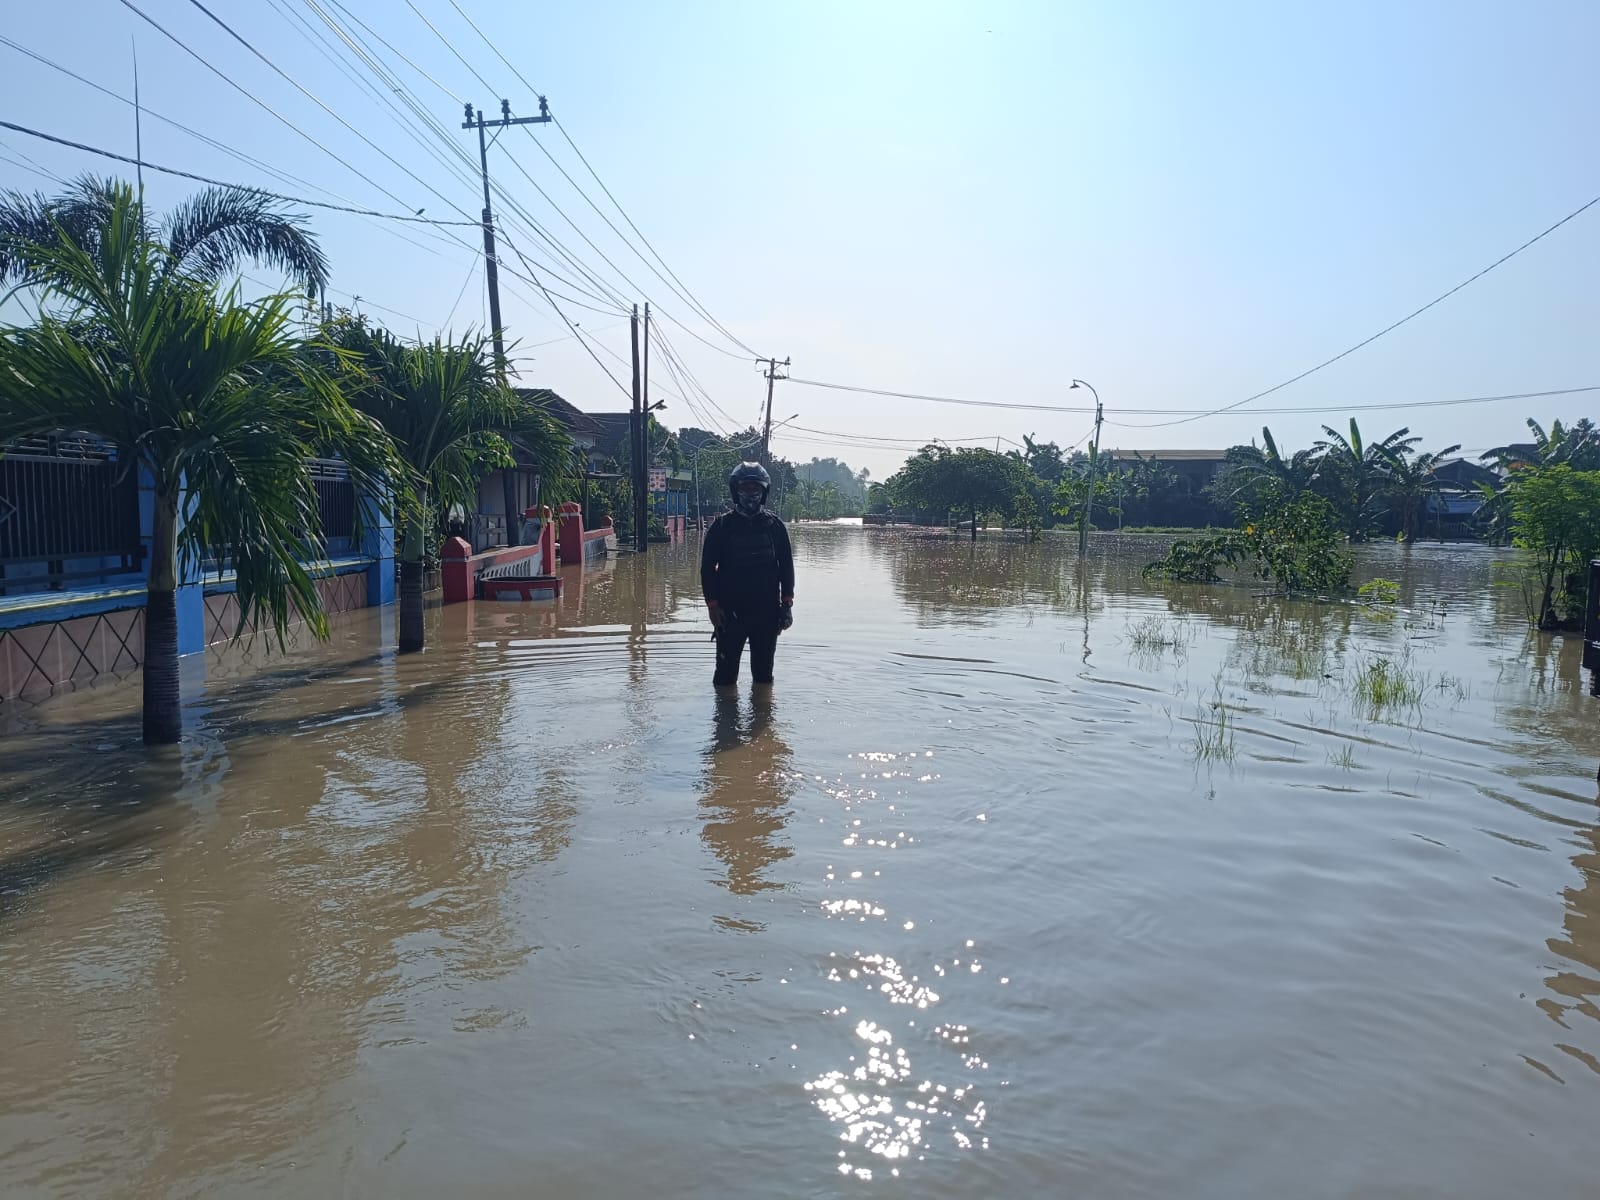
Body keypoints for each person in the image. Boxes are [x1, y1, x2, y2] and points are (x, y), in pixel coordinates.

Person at [700, 462, 794, 687]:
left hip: (767, 613)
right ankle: (724, 720)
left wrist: (787, 606)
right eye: (745, 488)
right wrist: (713, 606)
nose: (750, 494)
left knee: (763, 680)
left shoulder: (775, 527)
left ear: (763, 492)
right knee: (724, 679)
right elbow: (707, 569)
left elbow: (786, 567)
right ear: (735, 491)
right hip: (729, 614)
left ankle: (762, 720)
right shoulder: (721, 527)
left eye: (755, 489)